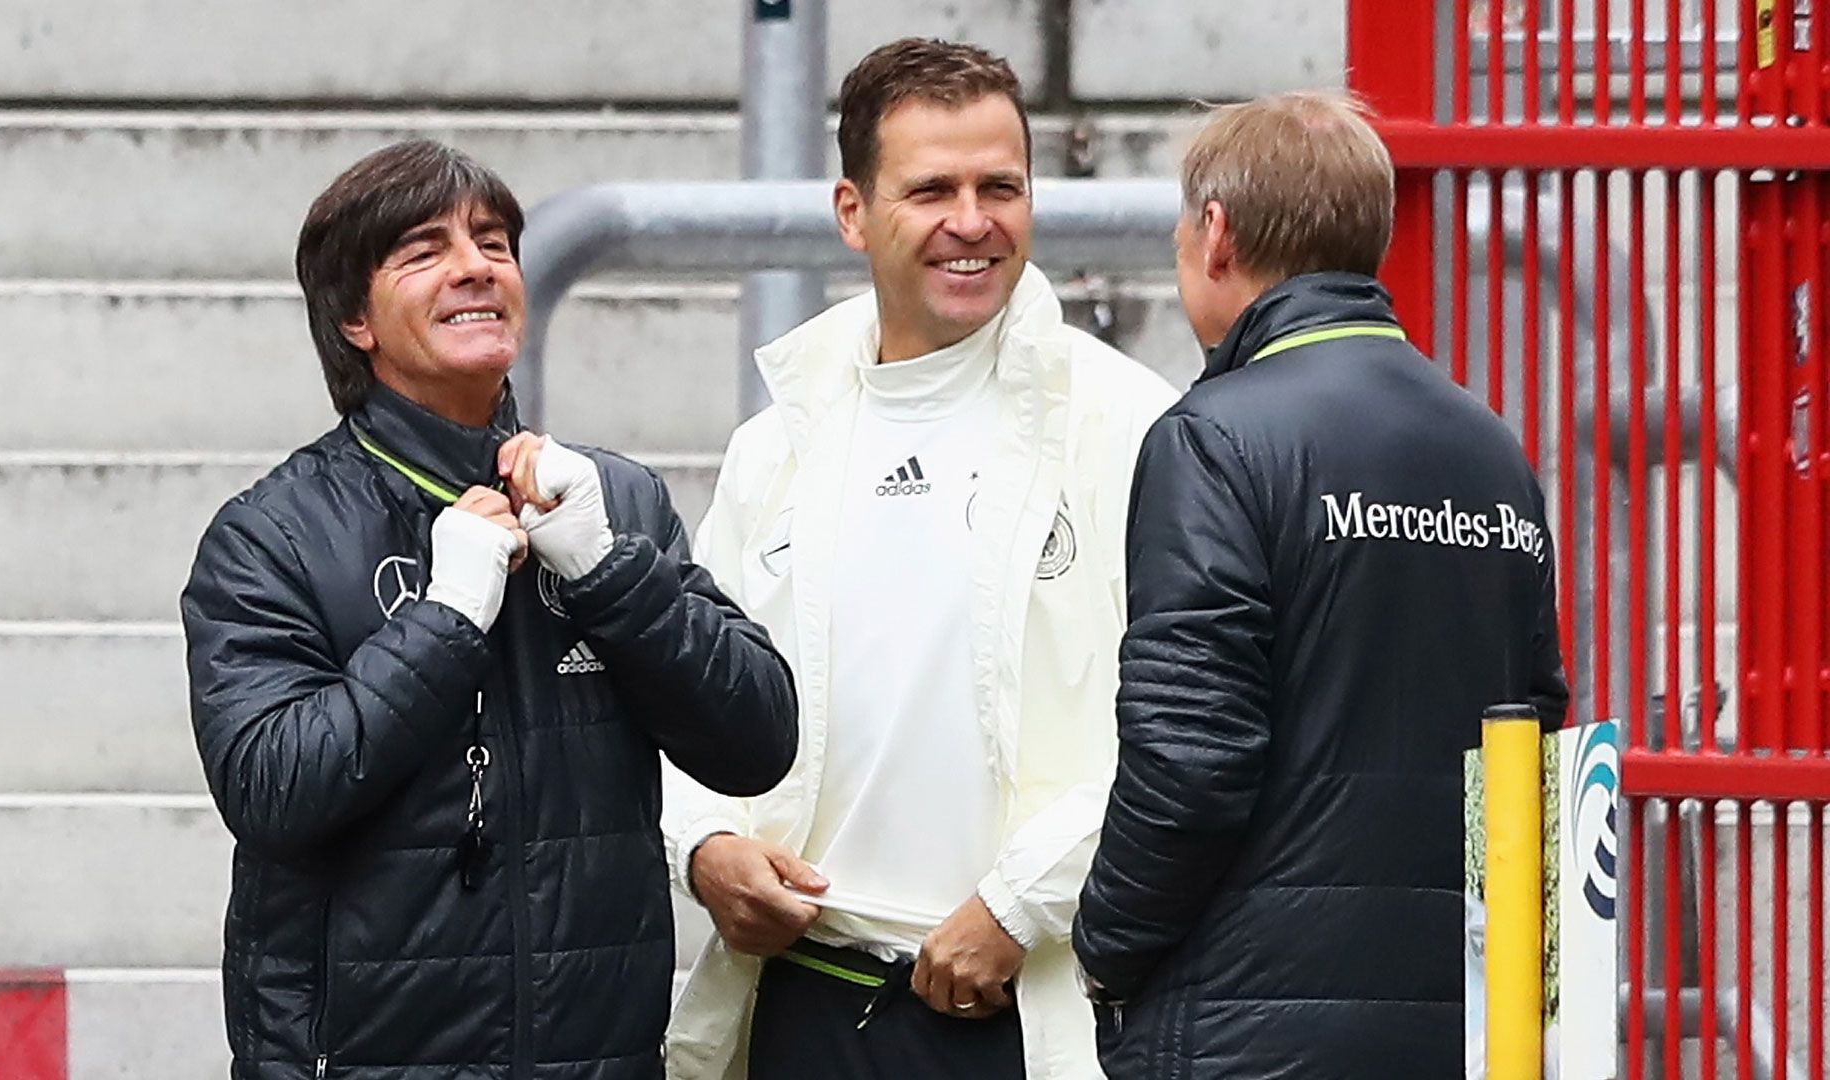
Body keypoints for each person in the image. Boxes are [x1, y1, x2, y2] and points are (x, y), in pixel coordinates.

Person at [179, 139, 798, 1079]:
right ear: (355, 318)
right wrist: (446, 615)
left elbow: (757, 738)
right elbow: (271, 789)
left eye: (495, 242)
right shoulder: (274, 534)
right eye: (424, 250)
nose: (476, 265)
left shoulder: (612, 502)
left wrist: (608, 572)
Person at [662, 37, 1178, 1080]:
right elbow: (689, 698)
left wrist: (1015, 904)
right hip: (801, 1004)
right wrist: (705, 851)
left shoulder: (1131, 423)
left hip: (1025, 1014)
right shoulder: (776, 443)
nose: (973, 221)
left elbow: (1181, 726)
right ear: (851, 212)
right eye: (932, 188)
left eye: (1002, 186)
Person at [1071, 91, 1570, 1078]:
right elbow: (1531, 750)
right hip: (1457, 1029)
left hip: (1243, 1032)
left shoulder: (1212, 439)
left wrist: (1106, 943)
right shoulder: (1492, 450)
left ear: (1215, 235)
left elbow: (1191, 759)